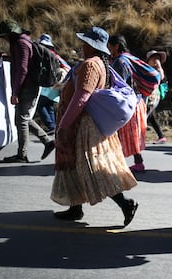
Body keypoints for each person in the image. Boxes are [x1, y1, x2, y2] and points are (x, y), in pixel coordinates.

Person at [50, 27, 139, 225]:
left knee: (94, 169)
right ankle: (75, 207)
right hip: (87, 123)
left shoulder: (91, 65)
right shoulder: (101, 63)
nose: (82, 46)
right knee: (76, 166)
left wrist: (65, 125)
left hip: (83, 125)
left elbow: (82, 97)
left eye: (85, 43)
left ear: (92, 46)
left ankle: (125, 204)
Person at [0, 19, 55, 163]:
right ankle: (47, 141)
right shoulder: (23, 42)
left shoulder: (20, 44)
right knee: (23, 118)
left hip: (27, 87)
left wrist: (15, 92)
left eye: (4, 35)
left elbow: (22, 69)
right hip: (29, 86)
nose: (4, 38)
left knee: (21, 120)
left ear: (11, 34)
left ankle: (22, 154)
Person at [107, 34, 147, 172]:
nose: (108, 49)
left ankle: (115, 163)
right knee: (131, 135)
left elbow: (120, 84)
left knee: (118, 133)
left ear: (116, 46)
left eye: (109, 46)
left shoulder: (120, 62)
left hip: (128, 104)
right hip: (137, 101)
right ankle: (138, 162)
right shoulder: (128, 58)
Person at [35, 34, 71, 134]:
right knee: (48, 105)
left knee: (40, 105)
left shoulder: (45, 55)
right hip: (57, 84)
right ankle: (53, 127)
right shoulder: (56, 55)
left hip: (50, 84)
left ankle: (51, 126)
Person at [146, 50, 167, 144]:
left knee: (144, 116)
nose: (156, 60)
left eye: (158, 58)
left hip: (152, 96)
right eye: (154, 58)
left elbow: (161, 77)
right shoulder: (146, 68)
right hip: (149, 95)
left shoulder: (158, 70)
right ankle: (161, 136)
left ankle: (138, 137)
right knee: (151, 117)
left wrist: (159, 66)